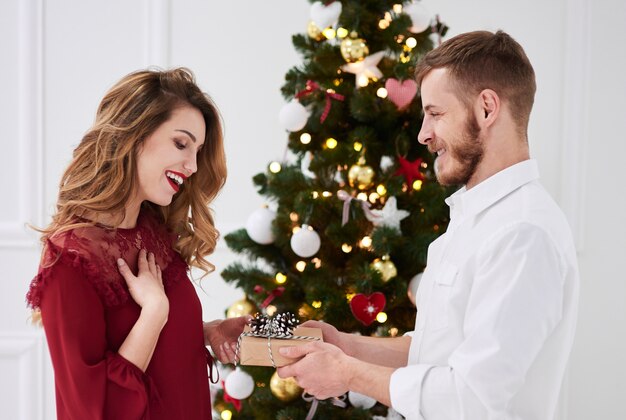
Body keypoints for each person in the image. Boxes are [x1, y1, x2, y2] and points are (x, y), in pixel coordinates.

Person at [278, 30, 579, 420]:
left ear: (487, 108)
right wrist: (346, 346)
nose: (423, 133)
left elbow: (471, 397)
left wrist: (347, 373)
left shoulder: (522, 234)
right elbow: (438, 351)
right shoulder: (478, 219)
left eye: (436, 114)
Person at [25, 68, 248, 419]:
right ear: (135, 135)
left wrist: (208, 332)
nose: (191, 165)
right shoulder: (69, 259)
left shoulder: (153, 231)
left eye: (198, 150)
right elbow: (94, 410)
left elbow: (155, 354)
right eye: (181, 143)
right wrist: (154, 314)